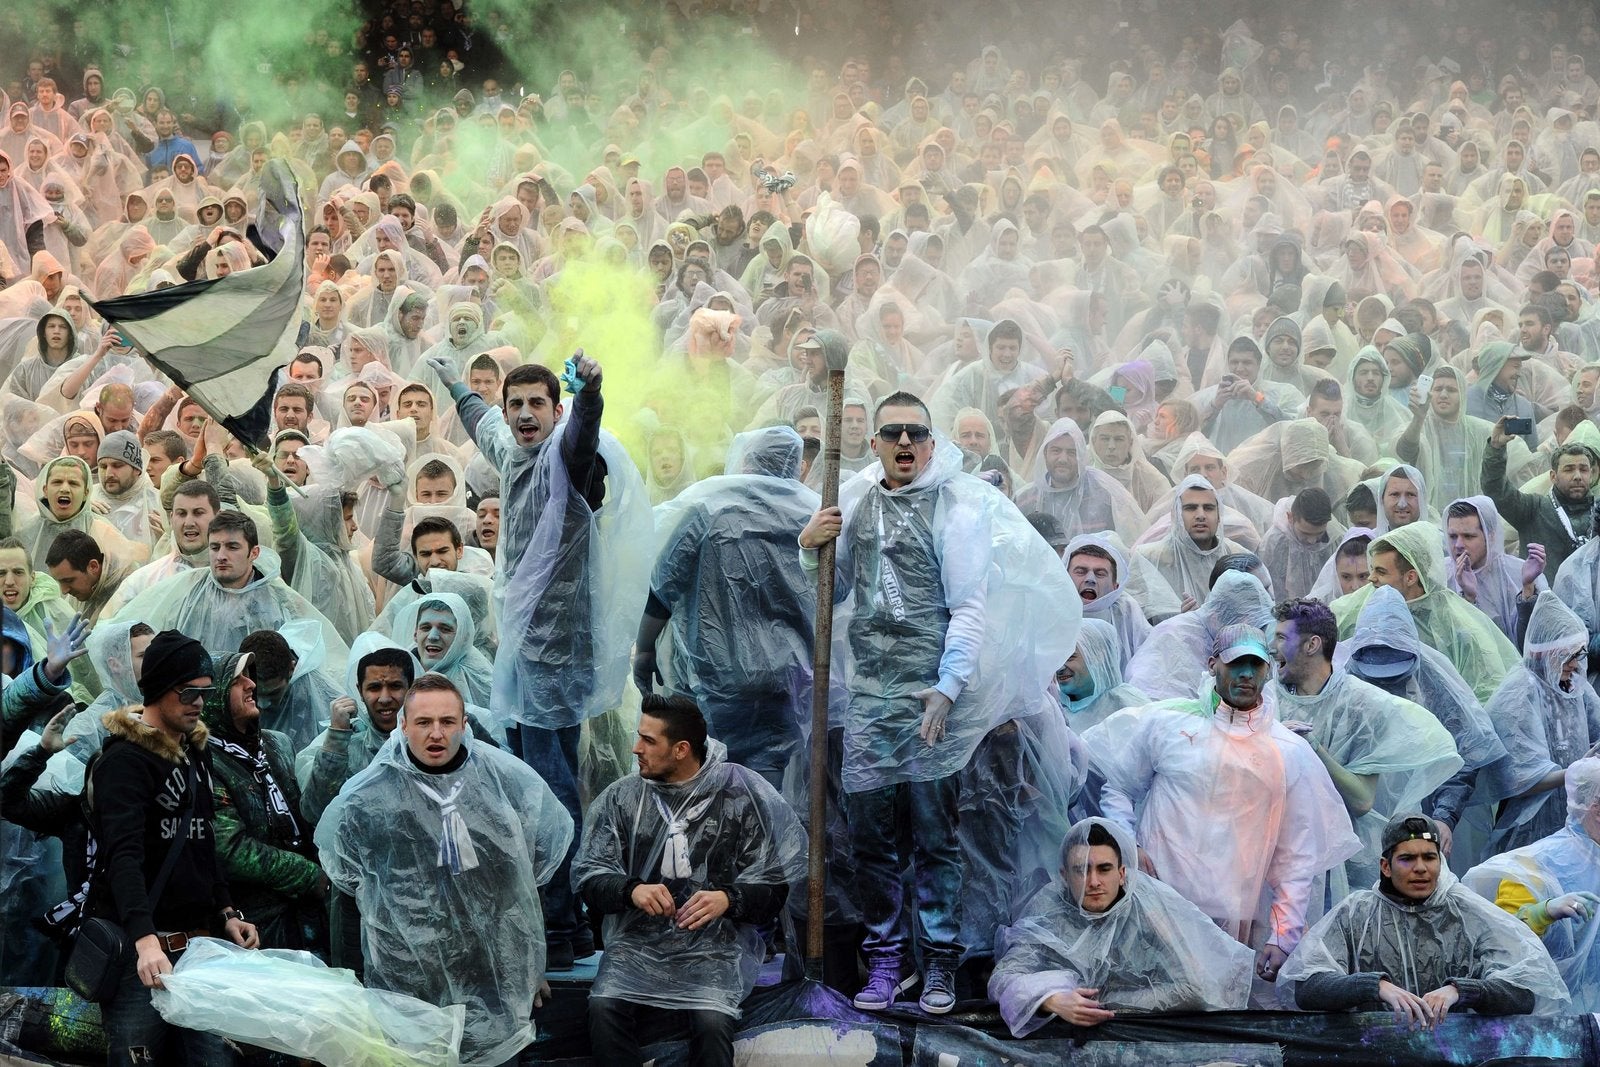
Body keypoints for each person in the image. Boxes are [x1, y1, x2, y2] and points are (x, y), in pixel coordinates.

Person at [798, 389, 1078, 1013]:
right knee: (870, 841)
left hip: (931, 700)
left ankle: (941, 964)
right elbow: (836, 590)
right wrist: (812, 544)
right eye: (892, 432)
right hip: (870, 698)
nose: (904, 443)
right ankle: (885, 960)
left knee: (935, 839)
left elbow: (968, 608)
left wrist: (948, 688)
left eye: (916, 434)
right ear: (873, 442)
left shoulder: (955, 508)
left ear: (931, 442)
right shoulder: (856, 500)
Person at [425, 350, 650, 970]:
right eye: (515, 404)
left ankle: (560, 917)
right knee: (530, 784)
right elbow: (480, 422)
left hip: (558, 652)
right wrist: (450, 379)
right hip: (521, 653)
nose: (525, 416)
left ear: (556, 411)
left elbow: (584, 435)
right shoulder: (509, 450)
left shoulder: (566, 458)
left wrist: (593, 391)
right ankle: (564, 921)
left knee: (550, 790)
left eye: (537, 405)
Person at [1082, 623, 1360, 986]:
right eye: (1235, 664)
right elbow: (1119, 789)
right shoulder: (1167, 724)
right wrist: (1128, 846)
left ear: (1269, 670)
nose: (1246, 674)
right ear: (1213, 664)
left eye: (1255, 665)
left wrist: (1283, 934)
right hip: (1157, 904)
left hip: (1238, 919)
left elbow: (1297, 854)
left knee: (1221, 1010)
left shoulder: (1288, 752)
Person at [316, 674, 573, 1067]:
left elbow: (522, 886)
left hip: (491, 972)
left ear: (464, 724)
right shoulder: (369, 796)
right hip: (406, 977)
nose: (436, 733)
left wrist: (531, 965)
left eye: (447, 722)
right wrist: (357, 982)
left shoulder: (502, 782)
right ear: (403, 725)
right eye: (423, 723)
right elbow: (352, 898)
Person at [575, 695, 804, 1067]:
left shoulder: (738, 794)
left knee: (712, 1022)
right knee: (603, 1008)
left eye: (649, 741)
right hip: (637, 943)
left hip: (714, 949)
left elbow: (774, 887)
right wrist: (630, 890)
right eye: (639, 736)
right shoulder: (623, 797)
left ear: (681, 749)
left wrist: (729, 899)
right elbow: (590, 878)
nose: (636, 748)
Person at [84, 630, 260, 1066]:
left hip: (200, 948)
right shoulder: (123, 762)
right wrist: (145, 941)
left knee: (215, 1059)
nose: (199, 703)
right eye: (188, 693)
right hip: (141, 960)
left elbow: (204, 844)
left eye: (205, 692)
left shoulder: (195, 751)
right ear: (159, 689)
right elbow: (122, 858)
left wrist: (226, 912)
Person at [635, 427, 820, 787]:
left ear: (746, 460)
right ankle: (757, 841)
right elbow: (837, 593)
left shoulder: (708, 508)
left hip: (714, 676)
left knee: (703, 782)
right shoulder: (811, 516)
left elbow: (662, 588)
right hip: (783, 678)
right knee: (763, 787)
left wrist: (644, 650)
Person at [1280, 813, 1568, 1021]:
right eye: (1407, 859)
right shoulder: (1357, 913)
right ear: (1386, 866)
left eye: (1429, 858)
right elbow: (1308, 989)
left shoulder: (1468, 912)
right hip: (1374, 1052)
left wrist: (1461, 991)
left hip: (1456, 1054)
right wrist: (1374, 987)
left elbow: (1523, 994)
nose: (1421, 868)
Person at [987, 818, 1253, 1034]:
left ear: (1122, 874)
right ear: (1064, 876)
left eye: (1104, 869)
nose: (1093, 881)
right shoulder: (1050, 907)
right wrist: (1050, 999)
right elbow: (1003, 977)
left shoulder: (1147, 908)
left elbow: (1193, 987)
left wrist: (1102, 1004)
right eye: (1081, 870)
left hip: (1141, 1034)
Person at [1270, 598, 1462, 890]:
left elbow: (1361, 801)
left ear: (1312, 645)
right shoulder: (1267, 697)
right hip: (1278, 850)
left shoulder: (1359, 705)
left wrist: (1314, 749)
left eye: (1282, 637)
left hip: (1345, 859)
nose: (1273, 647)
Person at [198, 650, 324, 952]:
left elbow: (306, 812)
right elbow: (230, 850)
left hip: (309, 910)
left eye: (250, 676)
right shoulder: (204, 761)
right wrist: (310, 876)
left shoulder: (276, 743)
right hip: (256, 922)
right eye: (237, 680)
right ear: (214, 696)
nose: (251, 684)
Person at [1331, 521, 1520, 705]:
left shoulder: (1456, 622)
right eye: (1373, 569)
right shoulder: (1364, 603)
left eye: (1380, 571)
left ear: (1410, 577)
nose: (1371, 578)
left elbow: (1488, 690)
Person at [1465, 758, 1600, 1011]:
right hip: (1553, 1025)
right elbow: (1502, 946)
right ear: (1596, 809)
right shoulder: (1532, 866)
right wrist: (1541, 914)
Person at [1482, 591, 1600, 854]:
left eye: (1579, 655)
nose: (1574, 664)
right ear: (1544, 653)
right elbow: (1518, 779)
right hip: (1529, 827)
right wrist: (1576, 772)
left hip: (1577, 822)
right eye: (1567, 656)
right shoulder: (1518, 693)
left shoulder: (1574, 685)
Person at [1482, 415, 1596, 579]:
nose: (1577, 476)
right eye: (1569, 469)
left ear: (1591, 475)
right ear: (1553, 476)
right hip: (1542, 602)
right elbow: (1495, 490)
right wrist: (1496, 448)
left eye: (1583, 469)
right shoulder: (1533, 509)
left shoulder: (1597, 511)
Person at [1135, 474, 1248, 608]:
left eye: (1208, 508)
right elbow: (1134, 621)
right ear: (1175, 515)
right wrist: (1181, 623)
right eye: (1190, 508)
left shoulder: (1240, 558)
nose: (1200, 515)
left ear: (1219, 516)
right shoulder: (1149, 559)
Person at [1444, 497, 1545, 644]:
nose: (1458, 545)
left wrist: (1528, 589)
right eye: (1453, 536)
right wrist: (1468, 599)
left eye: (1468, 536)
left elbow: (1532, 644)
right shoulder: (1440, 575)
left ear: (1490, 537)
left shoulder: (1518, 572)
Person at [1054, 618, 1148, 732]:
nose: (1060, 667)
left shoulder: (1130, 706)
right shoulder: (1054, 709)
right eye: (1055, 659)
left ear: (1097, 656)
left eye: (1069, 658)